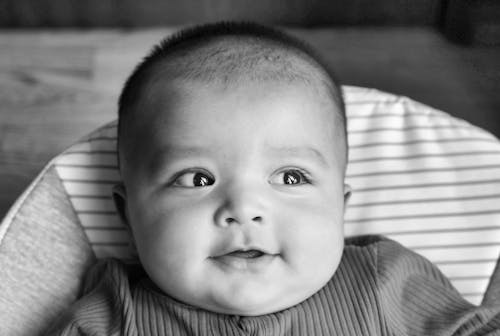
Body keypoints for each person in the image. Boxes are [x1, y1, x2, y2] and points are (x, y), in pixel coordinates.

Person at [45, 22, 500, 335]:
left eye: (291, 176)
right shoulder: (110, 312)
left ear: (340, 207)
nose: (244, 208)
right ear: (129, 215)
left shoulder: (385, 280)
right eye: (197, 179)